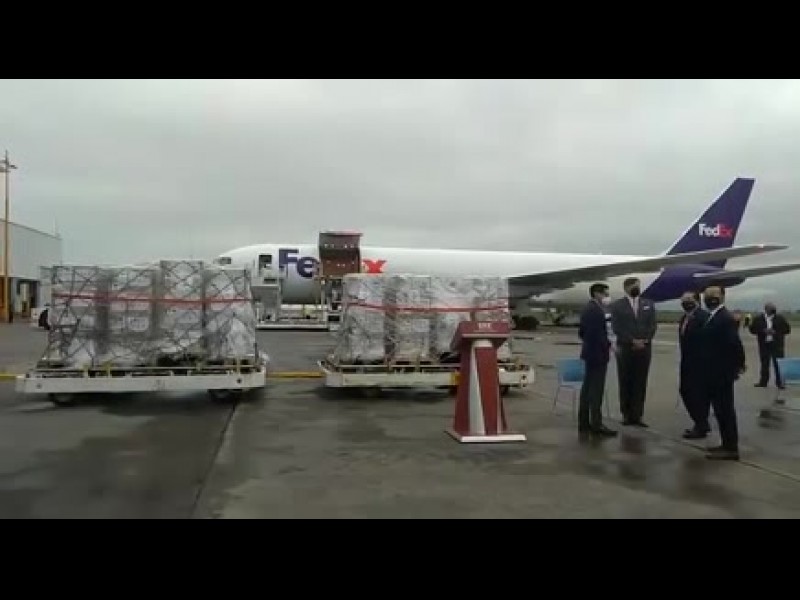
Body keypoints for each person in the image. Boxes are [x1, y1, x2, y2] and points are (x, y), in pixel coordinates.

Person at [700, 287, 746, 461]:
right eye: (707, 295)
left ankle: (731, 448)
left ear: (722, 297)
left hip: (721, 372)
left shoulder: (724, 318)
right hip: (714, 371)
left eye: (714, 295)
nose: (709, 298)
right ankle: (726, 444)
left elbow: (734, 344)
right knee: (720, 410)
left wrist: (738, 365)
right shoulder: (714, 316)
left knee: (725, 410)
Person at [610, 277, 657, 427]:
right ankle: (626, 414)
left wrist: (644, 340)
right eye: (635, 286)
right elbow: (617, 327)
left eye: (638, 286)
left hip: (644, 348)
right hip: (625, 348)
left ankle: (638, 415)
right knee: (625, 381)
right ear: (626, 288)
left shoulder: (648, 304)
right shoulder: (617, 305)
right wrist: (632, 340)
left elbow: (652, 325)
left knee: (640, 382)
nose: (637, 289)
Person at [577, 283, 617, 437]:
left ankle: (584, 422)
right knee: (596, 390)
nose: (607, 297)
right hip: (597, 354)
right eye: (605, 294)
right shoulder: (596, 311)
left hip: (589, 353)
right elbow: (598, 334)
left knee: (587, 389)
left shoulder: (588, 309)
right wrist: (608, 345)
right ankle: (596, 423)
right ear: (596, 293)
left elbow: (582, 332)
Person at [677, 291, 710, 439]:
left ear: (697, 301)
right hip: (687, 362)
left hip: (700, 363)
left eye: (688, 300)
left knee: (698, 395)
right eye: (683, 300)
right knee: (685, 391)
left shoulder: (703, 317)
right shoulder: (684, 318)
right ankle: (701, 422)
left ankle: (701, 425)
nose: (685, 303)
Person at [748, 302, 791, 389]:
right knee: (764, 363)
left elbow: (787, 330)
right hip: (764, 344)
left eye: (773, 309)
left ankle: (780, 382)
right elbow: (752, 330)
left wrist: (775, 332)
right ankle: (763, 382)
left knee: (778, 364)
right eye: (771, 309)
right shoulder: (758, 319)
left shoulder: (780, 318)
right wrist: (763, 331)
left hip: (777, 345)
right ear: (766, 310)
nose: (773, 311)